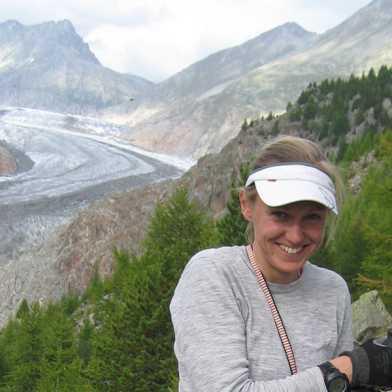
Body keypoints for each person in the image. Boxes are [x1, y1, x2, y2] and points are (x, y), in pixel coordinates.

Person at [170, 135, 392, 391]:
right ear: (246, 205)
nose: (296, 235)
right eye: (280, 214)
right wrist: (349, 368)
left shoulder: (333, 289)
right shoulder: (213, 275)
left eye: (312, 217)